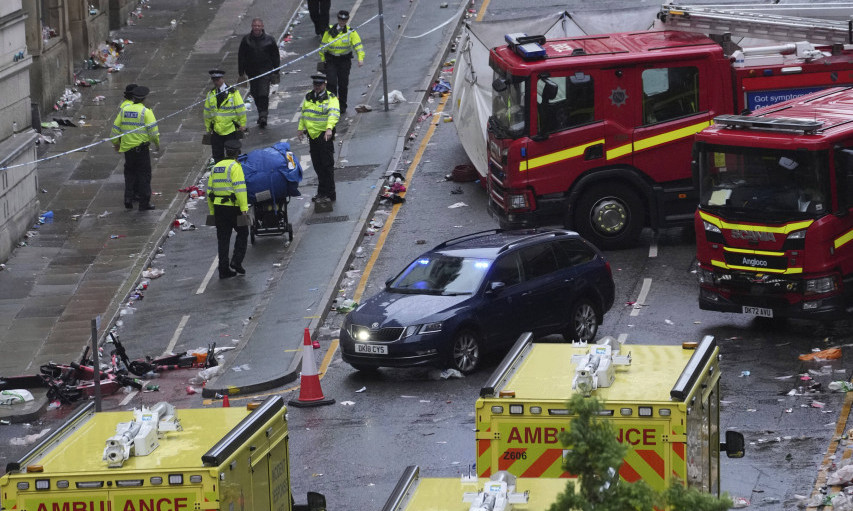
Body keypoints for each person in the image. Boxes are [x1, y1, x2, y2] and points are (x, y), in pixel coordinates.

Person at [111, 85, 160, 211]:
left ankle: (128, 198)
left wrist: (116, 143)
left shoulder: (124, 111)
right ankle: (144, 204)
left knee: (130, 174)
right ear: (144, 99)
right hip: (141, 150)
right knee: (144, 176)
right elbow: (154, 133)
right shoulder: (146, 112)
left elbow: (115, 129)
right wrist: (157, 144)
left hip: (128, 150)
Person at [206, 139, 249, 279]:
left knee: (223, 239)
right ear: (238, 153)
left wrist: (212, 211)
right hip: (234, 208)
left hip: (219, 209)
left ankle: (223, 270)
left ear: (226, 151)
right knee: (243, 232)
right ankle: (236, 261)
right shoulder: (235, 167)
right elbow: (240, 189)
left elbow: (209, 192)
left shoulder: (216, 167)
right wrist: (244, 209)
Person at [298, 73, 340, 203]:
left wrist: (329, 128)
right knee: (318, 166)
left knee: (327, 166)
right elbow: (304, 113)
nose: (317, 87)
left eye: (319, 84)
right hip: (312, 135)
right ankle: (321, 192)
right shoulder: (309, 97)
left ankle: (330, 193)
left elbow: (333, 114)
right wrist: (301, 128)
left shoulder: (330, 98)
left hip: (324, 135)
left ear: (324, 85)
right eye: (315, 84)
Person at [320, 10, 365, 115]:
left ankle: (342, 106)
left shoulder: (351, 32)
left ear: (347, 20)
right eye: (340, 19)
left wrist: (360, 58)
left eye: (344, 20)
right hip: (331, 60)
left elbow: (358, 46)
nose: (342, 22)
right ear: (338, 19)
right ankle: (333, 106)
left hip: (344, 61)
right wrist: (323, 60)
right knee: (331, 83)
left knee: (343, 84)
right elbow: (322, 46)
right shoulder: (330, 31)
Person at [238, 18, 280, 128]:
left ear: (262, 27)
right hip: (251, 71)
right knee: (255, 93)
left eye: (258, 26)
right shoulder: (246, 40)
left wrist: (276, 70)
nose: (256, 28)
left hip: (265, 71)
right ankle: (260, 112)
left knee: (263, 93)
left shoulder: (269, 40)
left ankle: (263, 115)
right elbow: (241, 56)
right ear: (252, 26)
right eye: (254, 26)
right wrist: (241, 72)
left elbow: (275, 55)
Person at [204, 69, 247, 164]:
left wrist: (242, 124)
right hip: (216, 130)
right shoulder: (210, 94)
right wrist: (208, 128)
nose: (215, 82)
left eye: (217, 79)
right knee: (217, 155)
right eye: (214, 80)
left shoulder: (233, 93)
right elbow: (207, 113)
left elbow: (240, 109)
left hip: (230, 129)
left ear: (222, 79)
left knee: (233, 155)